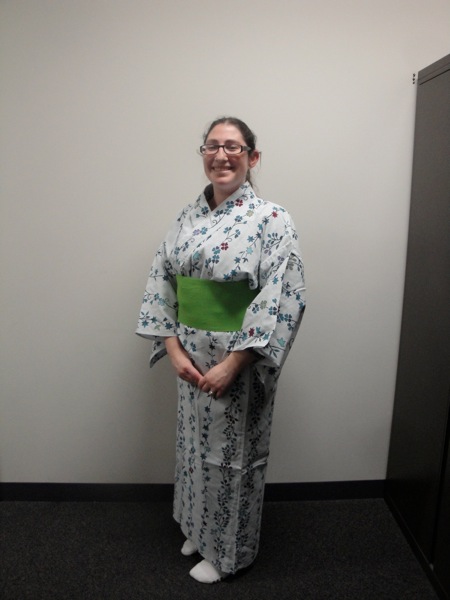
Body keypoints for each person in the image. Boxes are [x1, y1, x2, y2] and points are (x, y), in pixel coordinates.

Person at [136, 117, 306, 583]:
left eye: (233, 147)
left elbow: (284, 296)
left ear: (252, 157)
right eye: (212, 146)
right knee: (194, 450)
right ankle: (199, 529)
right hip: (190, 359)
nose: (221, 155)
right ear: (203, 155)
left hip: (240, 361)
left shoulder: (272, 218)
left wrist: (235, 363)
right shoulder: (186, 217)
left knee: (232, 456)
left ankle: (229, 554)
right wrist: (174, 352)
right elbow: (162, 281)